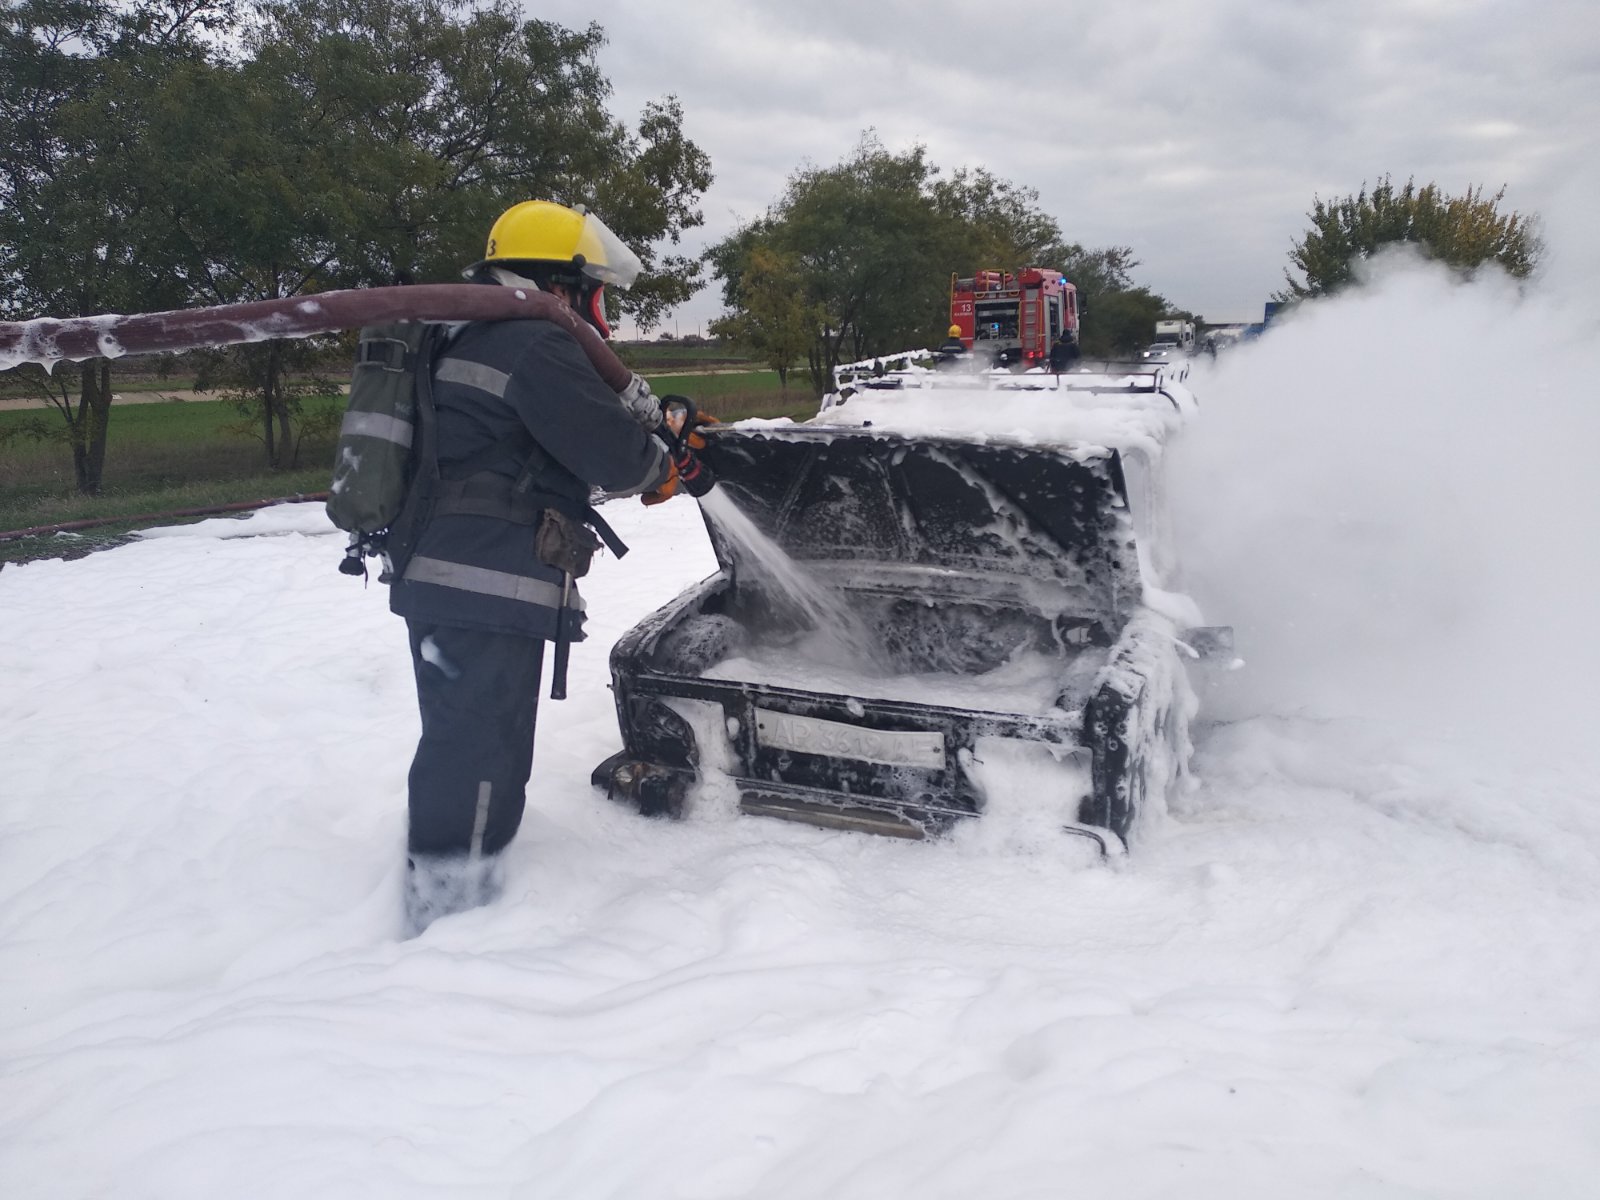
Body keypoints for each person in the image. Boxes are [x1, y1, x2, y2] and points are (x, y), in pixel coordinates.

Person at [384, 199, 711, 936]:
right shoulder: (533, 342)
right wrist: (666, 451)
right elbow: (618, 457)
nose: (597, 309)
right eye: (594, 291)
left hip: (438, 568)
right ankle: (445, 917)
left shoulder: (462, 329)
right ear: (561, 285)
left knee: (458, 735)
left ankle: (447, 892)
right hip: (487, 579)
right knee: (479, 748)